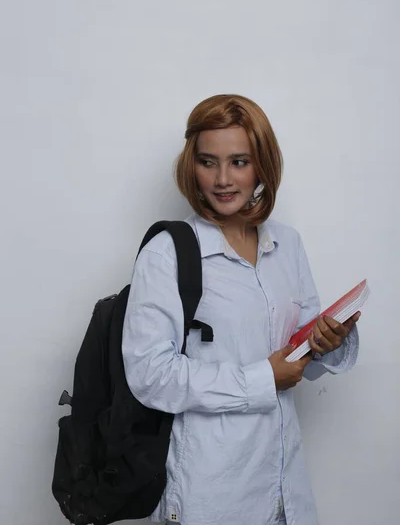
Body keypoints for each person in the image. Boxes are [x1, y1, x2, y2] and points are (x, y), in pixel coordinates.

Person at [122, 94, 360, 525]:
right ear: (190, 166)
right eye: (208, 161)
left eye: (239, 161)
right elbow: (150, 376)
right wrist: (262, 378)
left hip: (285, 489)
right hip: (211, 493)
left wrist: (326, 342)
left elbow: (297, 357)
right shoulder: (167, 254)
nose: (222, 179)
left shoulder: (287, 245)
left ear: (262, 166)